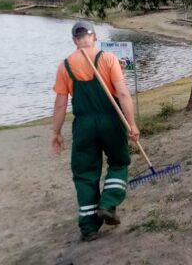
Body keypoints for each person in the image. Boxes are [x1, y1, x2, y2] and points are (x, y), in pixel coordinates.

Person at [51, 20, 140, 241]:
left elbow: (60, 104)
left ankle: (89, 227)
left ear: (74, 40)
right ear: (94, 37)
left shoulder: (65, 66)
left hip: (84, 126)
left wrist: (56, 132)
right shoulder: (108, 59)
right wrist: (132, 124)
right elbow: (123, 95)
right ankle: (108, 203)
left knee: (85, 174)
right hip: (111, 120)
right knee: (119, 162)